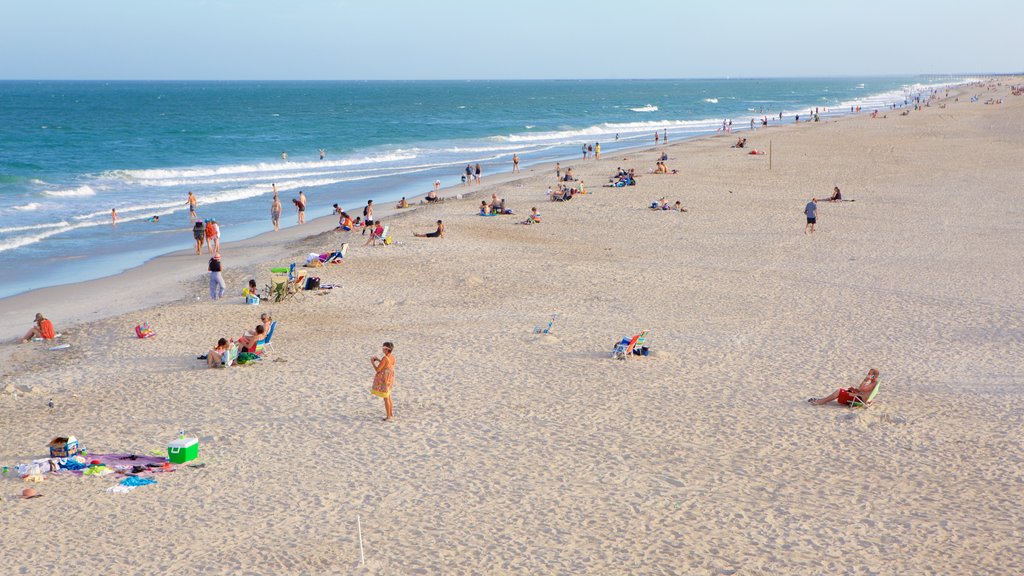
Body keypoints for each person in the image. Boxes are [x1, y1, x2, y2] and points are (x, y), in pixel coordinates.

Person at [808, 369, 880, 406]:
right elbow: (863, 391)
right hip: (859, 396)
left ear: (873, 376)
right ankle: (822, 400)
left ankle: (821, 401)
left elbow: (861, 388)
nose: (868, 375)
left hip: (858, 399)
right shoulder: (873, 383)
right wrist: (855, 390)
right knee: (846, 390)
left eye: (869, 374)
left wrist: (865, 380)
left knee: (839, 391)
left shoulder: (872, 383)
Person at [370, 341, 396, 421]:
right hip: (390, 378)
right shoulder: (392, 357)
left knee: (386, 398)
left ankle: (388, 416)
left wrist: (372, 363)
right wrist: (378, 360)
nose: (382, 349)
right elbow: (387, 365)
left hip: (385, 379)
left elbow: (378, 370)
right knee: (389, 396)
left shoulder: (385, 358)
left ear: (386, 349)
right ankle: (391, 414)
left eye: (383, 348)